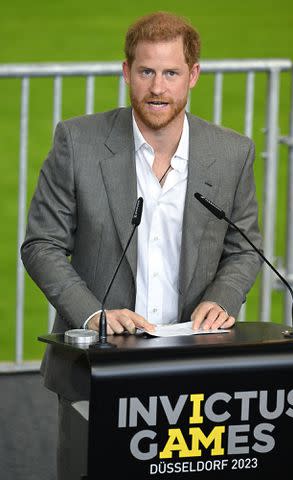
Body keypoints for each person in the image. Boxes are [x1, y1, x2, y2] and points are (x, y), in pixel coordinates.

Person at [21, 10, 263, 480]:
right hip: (98, 366)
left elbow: (245, 247)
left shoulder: (233, 152)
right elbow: (42, 245)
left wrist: (223, 297)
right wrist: (95, 315)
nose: (157, 87)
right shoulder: (78, 142)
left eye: (171, 72)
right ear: (126, 71)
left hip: (195, 368)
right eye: (146, 71)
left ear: (193, 75)